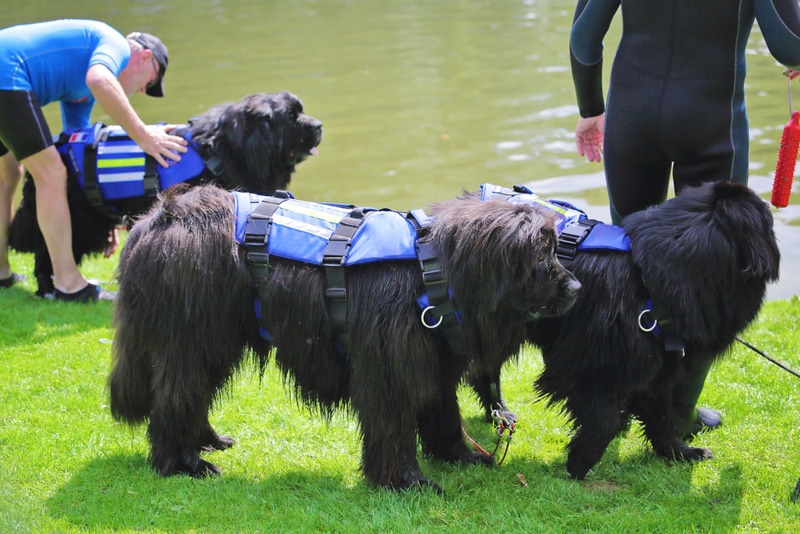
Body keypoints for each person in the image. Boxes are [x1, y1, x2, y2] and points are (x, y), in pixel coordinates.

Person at [569, 0, 800, 437]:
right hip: (711, 123)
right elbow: (791, 46)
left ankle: (618, 401)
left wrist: (590, 107)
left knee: (627, 266)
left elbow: (584, 39)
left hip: (631, 118)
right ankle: (675, 417)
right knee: (716, 274)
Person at [0, 19, 187, 301]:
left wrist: (104, 217)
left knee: (9, 174)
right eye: (150, 81)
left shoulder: (82, 81)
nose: (143, 90)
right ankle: (69, 285)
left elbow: (75, 154)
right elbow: (100, 80)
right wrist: (143, 136)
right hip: (7, 74)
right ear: (145, 56)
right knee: (50, 173)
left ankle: (1, 272)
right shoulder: (114, 43)